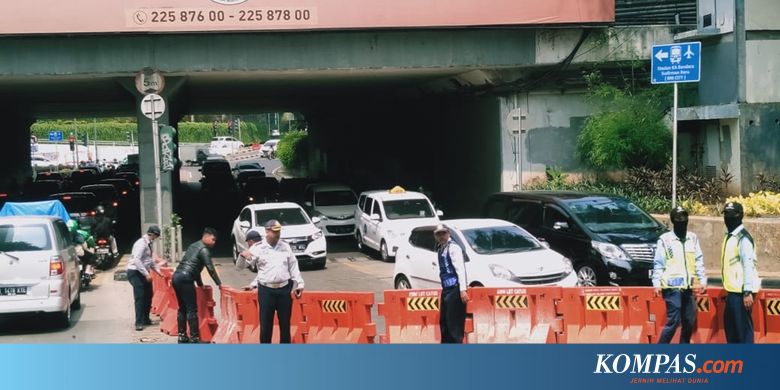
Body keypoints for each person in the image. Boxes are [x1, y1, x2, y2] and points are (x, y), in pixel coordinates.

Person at [236, 221, 304, 343]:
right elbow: (240, 267)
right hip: (266, 291)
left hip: (284, 289)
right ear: (267, 231)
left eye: (279, 231)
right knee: (266, 325)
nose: (277, 234)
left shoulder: (285, 246)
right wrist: (242, 256)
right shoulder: (257, 248)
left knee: (285, 324)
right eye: (274, 231)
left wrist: (299, 283)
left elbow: (293, 265)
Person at [652, 206, 707, 344]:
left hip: (687, 287)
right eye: (678, 219)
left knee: (689, 321)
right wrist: (656, 284)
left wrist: (702, 279)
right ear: (673, 221)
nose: (682, 221)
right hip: (671, 288)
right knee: (674, 321)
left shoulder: (692, 238)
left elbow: (698, 260)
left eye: (684, 218)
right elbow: (659, 263)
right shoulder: (665, 240)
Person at [172, 227, 222, 343]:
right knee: (192, 309)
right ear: (206, 236)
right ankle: (194, 338)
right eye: (213, 239)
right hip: (186, 278)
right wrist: (219, 284)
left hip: (177, 277)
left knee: (182, 308)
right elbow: (210, 268)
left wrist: (200, 284)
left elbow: (196, 270)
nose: (214, 243)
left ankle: (182, 335)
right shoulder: (204, 250)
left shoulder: (193, 246)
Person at [721, 202, 760, 343]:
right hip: (733, 292)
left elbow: (748, 265)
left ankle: (748, 362)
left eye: (731, 215)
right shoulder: (729, 236)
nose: (728, 218)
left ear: (740, 216)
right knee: (732, 331)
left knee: (743, 332)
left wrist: (747, 292)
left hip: (741, 293)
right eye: (726, 214)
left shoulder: (743, 238)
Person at [433, 224, 469, 343]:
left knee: (454, 324)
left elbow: (460, 270)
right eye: (438, 234)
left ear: (448, 233)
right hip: (446, 289)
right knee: (445, 322)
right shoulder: (441, 248)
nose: (441, 236)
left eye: (443, 233)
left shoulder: (453, 248)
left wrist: (462, 290)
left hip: (455, 289)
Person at [126, 225, 162, 331]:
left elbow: (149, 260)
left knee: (148, 294)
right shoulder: (141, 243)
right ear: (151, 234)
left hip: (143, 271)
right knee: (140, 297)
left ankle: (146, 318)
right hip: (135, 272)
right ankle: (139, 322)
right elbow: (137, 260)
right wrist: (146, 274)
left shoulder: (149, 243)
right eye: (155, 236)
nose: (155, 238)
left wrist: (158, 272)